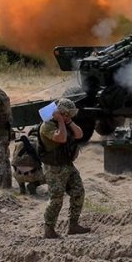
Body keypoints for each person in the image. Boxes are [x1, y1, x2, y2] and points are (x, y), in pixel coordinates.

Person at [38, 98, 91, 238]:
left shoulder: (66, 122)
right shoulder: (47, 126)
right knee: (56, 199)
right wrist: (61, 121)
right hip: (54, 168)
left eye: (70, 115)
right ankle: (49, 230)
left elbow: (79, 134)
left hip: (67, 165)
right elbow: (61, 138)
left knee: (78, 191)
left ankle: (73, 225)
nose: (69, 117)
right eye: (67, 114)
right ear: (60, 112)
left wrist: (68, 122)